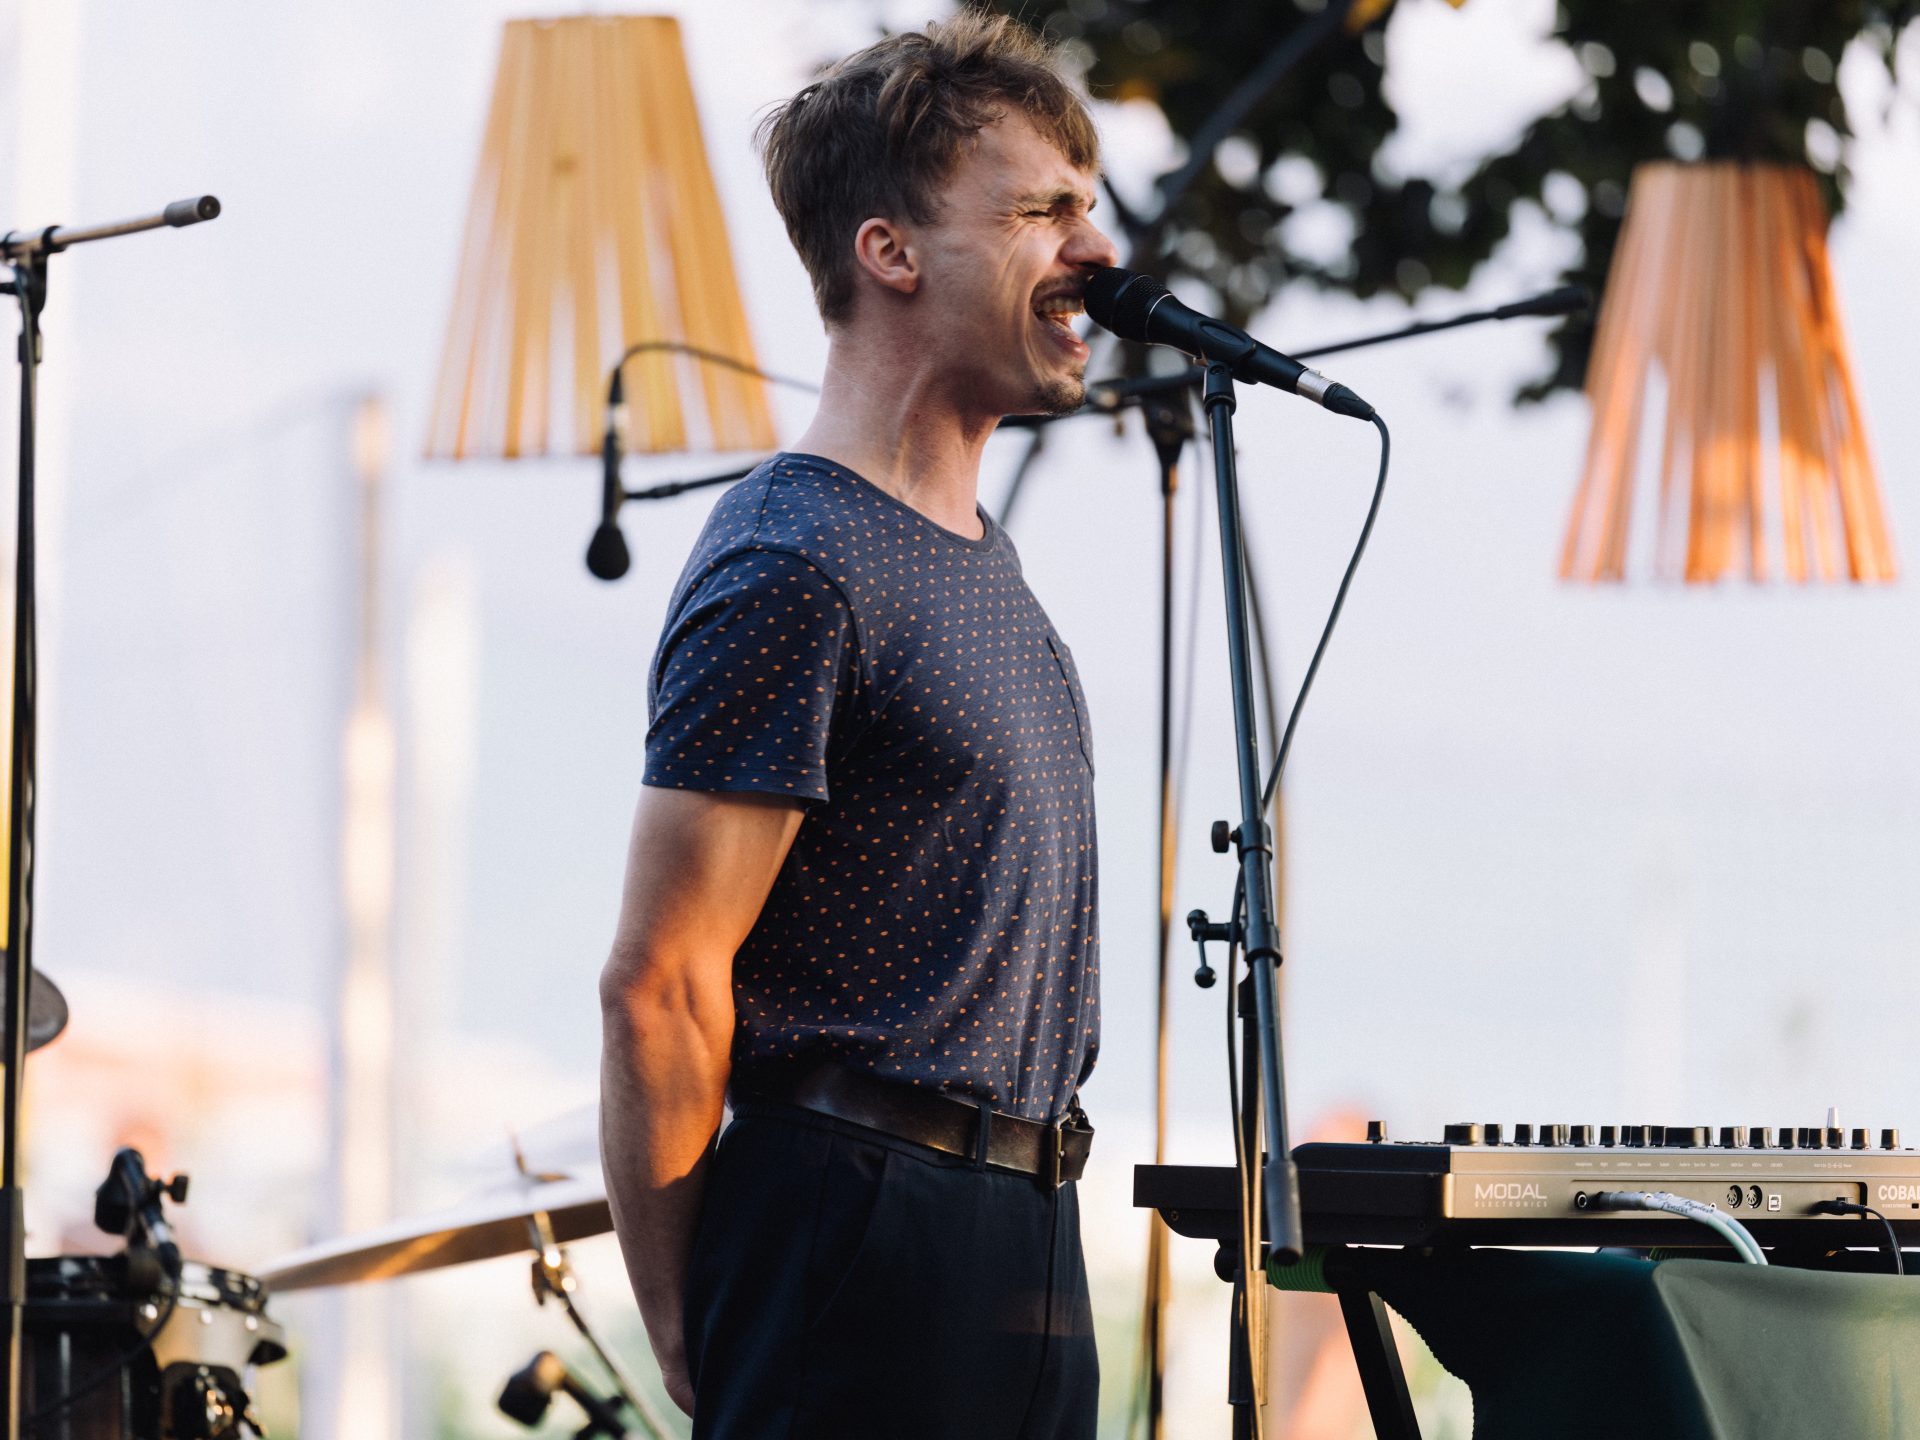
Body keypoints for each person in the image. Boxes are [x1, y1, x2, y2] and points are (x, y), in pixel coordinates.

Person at [598, 13, 1119, 1438]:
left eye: (1088, 207)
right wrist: (689, 1324)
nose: (1094, 250)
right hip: (862, 1221)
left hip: (1026, 1229)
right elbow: (661, 980)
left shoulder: (982, 565)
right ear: (891, 252)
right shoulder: (797, 557)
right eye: (1041, 211)